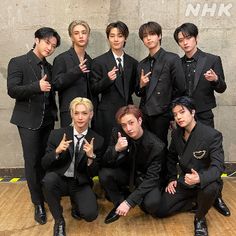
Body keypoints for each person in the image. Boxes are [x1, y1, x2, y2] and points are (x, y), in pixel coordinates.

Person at [173, 22, 230, 217]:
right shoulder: (177, 63)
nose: (185, 42)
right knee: (190, 155)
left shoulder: (212, 59)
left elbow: (222, 88)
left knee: (211, 158)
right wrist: (177, 116)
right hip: (184, 117)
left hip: (204, 114)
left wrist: (215, 79)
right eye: (181, 40)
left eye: (188, 38)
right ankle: (196, 194)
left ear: (196, 38)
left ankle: (217, 196)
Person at [7, 27, 61, 225]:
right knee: (32, 162)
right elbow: (12, 90)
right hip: (28, 122)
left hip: (47, 120)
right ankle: (37, 202)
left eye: (53, 46)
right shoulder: (18, 62)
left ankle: (45, 193)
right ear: (36, 39)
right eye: (47, 42)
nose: (50, 48)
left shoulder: (49, 67)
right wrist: (36, 87)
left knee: (45, 160)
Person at [156, 96, 225, 236]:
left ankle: (200, 217)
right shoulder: (176, 134)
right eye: (175, 114)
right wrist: (171, 178)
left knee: (210, 188)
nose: (178, 117)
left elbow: (218, 167)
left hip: (205, 181)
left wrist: (200, 178)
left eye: (182, 112)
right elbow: (170, 157)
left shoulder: (212, 135)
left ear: (193, 112)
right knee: (160, 210)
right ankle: (199, 202)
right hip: (186, 180)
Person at [41, 97, 104, 236]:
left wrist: (90, 157)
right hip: (60, 179)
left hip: (80, 182)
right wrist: (56, 151)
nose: (80, 117)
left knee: (90, 215)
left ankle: (76, 203)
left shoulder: (97, 140)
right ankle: (59, 221)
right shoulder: (57, 134)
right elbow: (44, 164)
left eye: (84, 113)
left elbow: (94, 172)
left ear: (91, 115)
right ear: (71, 114)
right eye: (76, 113)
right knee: (48, 180)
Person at [99, 105, 165, 224]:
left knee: (151, 205)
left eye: (131, 123)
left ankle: (130, 198)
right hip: (126, 173)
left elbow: (152, 178)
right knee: (104, 174)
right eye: (124, 125)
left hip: (143, 178)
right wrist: (116, 149)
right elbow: (105, 161)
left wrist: (130, 202)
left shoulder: (156, 145)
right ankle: (119, 204)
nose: (128, 128)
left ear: (139, 121)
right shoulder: (117, 133)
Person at [136, 21, 186, 147]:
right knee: (146, 147)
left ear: (159, 36)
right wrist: (141, 85)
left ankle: (162, 168)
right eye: (145, 36)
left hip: (162, 114)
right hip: (145, 114)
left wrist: (171, 114)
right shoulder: (142, 64)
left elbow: (180, 88)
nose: (148, 38)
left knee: (160, 147)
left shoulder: (171, 58)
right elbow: (138, 93)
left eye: (152, 34)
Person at [91, 21, 138, 147]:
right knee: (107, 148)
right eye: (112, 36)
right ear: (108, 38)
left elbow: (135, 89)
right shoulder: (99, 62)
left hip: (128, 114)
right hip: (106, 114)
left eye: (120, 35)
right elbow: (93, 89)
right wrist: (107, 79)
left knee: (128, 148)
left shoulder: (133, 62)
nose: (116, 39)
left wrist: (142, 84)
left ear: (125, 38)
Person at [52, 20, 95, 127]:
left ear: (88, 35)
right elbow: (56, 84)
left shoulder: (90, 60)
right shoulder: (61, 58)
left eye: (84, 33)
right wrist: (76, 71)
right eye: (76, 33)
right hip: (69, 112)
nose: (81, 36)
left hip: (87, 114)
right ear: (71, 37)